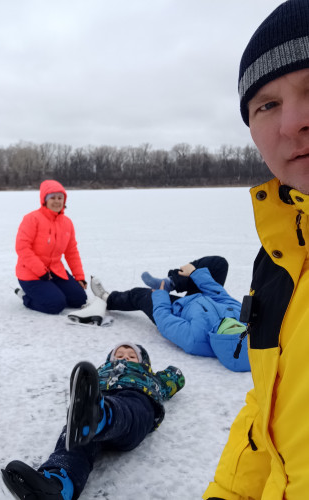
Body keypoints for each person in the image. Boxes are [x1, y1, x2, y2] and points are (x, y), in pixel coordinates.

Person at [203, 1, 309, 498]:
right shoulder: (277, 260)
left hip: (209, 317)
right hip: (215, 314)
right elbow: (264, 413)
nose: (293, 124)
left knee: (183, 297)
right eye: (267, 105)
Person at [1, 342, 185, 499]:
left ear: (145, 364)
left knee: (128, 410)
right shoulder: (102, 371)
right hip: (101, 400)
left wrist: (173, 374)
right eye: (118, 355)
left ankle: (99, 417)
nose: (124, 358)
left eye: (131, 356)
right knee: (75, 442)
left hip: (135, 402)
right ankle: (57, 485)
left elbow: (174, 379)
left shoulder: (149, 378)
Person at [90, 256, 250, 372]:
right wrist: (195, 273)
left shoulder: (195, 339)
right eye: (239, 327)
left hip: (177, 309)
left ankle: (108, 299)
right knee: (217, 264)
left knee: (139, 294)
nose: (232, 323)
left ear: (219, 338)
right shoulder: (242, 319)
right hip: (200, 300)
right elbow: (220, 295)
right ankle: (171, 281)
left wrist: (161, 294)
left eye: (229, 329)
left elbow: (164, 319)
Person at [15, 179, 87, 314]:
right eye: (52, 197)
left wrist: (79, 277)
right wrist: (41, 271)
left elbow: (71, 252)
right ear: (44, 200)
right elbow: (22, 248)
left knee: (79, 300)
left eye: (60, 198)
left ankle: (51, 289)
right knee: (55, 305)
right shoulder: (32, 219)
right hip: (31, 274)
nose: (57, 201)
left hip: (55, 271)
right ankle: (26, 297)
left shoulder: (67, 223)